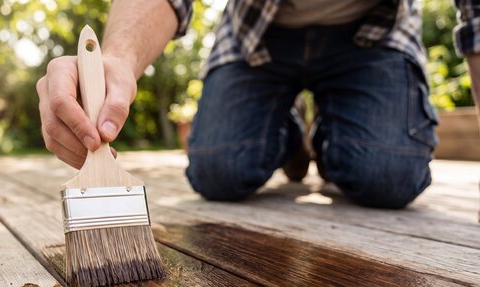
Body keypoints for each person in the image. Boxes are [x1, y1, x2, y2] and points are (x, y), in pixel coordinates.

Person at [36, 0, 480, 209]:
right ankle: (287, 133)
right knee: (218, 171)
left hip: (373, 32)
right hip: (259, 30)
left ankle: (333, 125)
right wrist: (116, 59)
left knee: (388, 176)